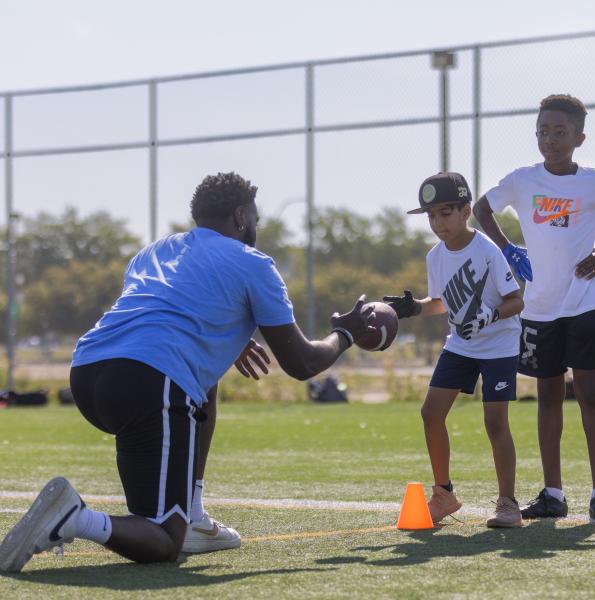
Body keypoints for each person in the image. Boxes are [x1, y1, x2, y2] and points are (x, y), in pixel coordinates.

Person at [0, 172, 374, 572]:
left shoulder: (153, 252)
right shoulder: (253, 263)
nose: (256, 228)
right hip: (148, 381)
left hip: (88, 372)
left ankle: (191, 514)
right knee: (163, 541)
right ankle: (74, 518)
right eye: (255, 219)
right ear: (240, 217)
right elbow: (302, 362)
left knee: (203, 386)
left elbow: (160, 310)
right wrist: (345, 334)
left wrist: (220, 335)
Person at [473, 94, 595, 522]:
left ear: (579, 137)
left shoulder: (594, 181)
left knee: (589, 394)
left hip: (583, 303)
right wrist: (508, 249)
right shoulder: (522, 179)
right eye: (543, 131)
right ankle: (553, 494)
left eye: (560, 131)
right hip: (538, 308)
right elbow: (480, 208)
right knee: (548, 395)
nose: (550, 139)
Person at [384, 171, 525, 528]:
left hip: (498, 344)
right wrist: (414, 307)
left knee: (495, 422)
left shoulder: (487, 251)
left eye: (445, 213)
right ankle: (444, 495)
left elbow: (516, 300)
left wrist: (488, 317)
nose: (437, 222)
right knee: (431, 413)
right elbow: (441, 302)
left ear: (465, 211)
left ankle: (508, 503)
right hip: (461, 344)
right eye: (431, 215)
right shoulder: (436, 256)